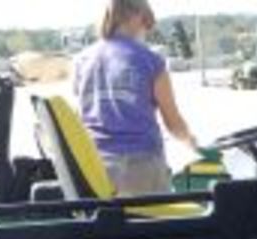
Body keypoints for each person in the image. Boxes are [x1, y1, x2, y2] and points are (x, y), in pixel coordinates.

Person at [72, 0, 198, 195]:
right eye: (145, 26)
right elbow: (172, 122)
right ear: (138, 15)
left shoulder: (81, 60)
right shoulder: (151, 60)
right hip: (141, 164)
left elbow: (80, 116)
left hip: (95, 166)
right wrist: (191, 141)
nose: (144, 34)